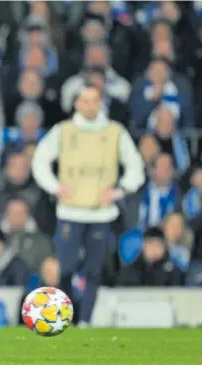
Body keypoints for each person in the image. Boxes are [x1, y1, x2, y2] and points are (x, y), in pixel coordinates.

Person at [31, 84, 145, 327]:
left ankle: (85, 321)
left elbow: (136, 166)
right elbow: (40, 160)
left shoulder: (115, 132)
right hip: (70, 211)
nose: (90, 106)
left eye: (95, 100)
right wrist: (53, 186)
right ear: (77, 104)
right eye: (85, 100)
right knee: (65, 269)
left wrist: (120, 189)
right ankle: (64, 319)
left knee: (94, 270)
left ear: (101, 103)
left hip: (101, 213)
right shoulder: (63, 131)